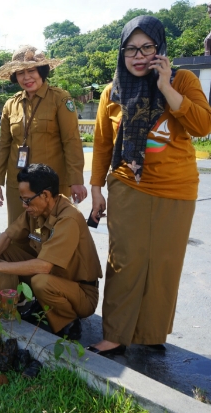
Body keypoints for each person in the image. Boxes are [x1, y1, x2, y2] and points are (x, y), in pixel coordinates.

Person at [88, 16, 211, 356]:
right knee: (125, 260)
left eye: (147, 47)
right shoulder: (112, 92)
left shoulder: (183, 80)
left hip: (177, 187)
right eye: (131, 49)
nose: (139, 56)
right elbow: (101, 144)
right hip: (129, 184)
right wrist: (97, 189)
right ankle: (115, 334)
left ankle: (151, 331)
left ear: (160, 49)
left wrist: (166, 87)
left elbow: (202, 125)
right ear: (122, 52)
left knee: (163, 263)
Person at [0, 164, 101, 340]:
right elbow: (7, 237)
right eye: (22, 199)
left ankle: (69, 323)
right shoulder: (36, 210)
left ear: (46, 195)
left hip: (81, 293)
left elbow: (44, 267)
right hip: (57, 277)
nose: (24, 205)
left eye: (26, 200)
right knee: (7, 250)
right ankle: (36, 303)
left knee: (40, 281)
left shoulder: (68, 218)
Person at [0, 45, 86, 227]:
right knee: (19, 232)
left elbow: (71, 141)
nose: (26, 77)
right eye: (20, 73)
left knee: (53, 234)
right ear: (14, 77)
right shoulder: (11, 105)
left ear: (41, 71)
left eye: (31, 71)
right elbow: (3, 146)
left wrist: (76, 181)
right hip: (18, 184)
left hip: (50, 186)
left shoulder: (60, 99)